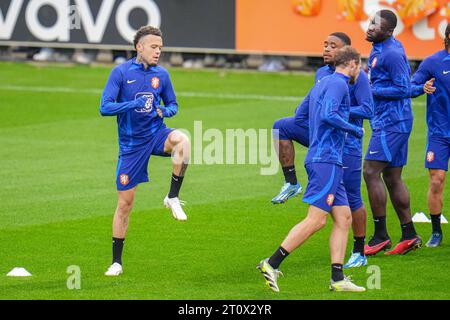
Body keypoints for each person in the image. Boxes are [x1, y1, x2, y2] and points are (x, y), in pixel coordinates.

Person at [258, 46, 366, 292]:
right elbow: (329, 114)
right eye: (359, 66)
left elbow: (300, 114)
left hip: (329, 159)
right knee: (316, 220)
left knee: (344, 218)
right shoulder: (340, 84)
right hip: (326, 159)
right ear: (351, 64)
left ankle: (337, 279)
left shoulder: (321, 83)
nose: (359, 71)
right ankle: (271, 263)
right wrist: (352, 128)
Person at [99, 26, 190, 276]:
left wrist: (164, 111)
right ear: (139, 47)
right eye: (153, 47)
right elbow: (104, 107)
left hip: (156, 134)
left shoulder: (162, 75)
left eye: (160, 47)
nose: (158, 51)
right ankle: (116, 262)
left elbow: (173, 104)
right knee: (125, 204)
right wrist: (133, 104)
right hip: (131, 145)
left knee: (184, 141)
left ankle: (172, 197)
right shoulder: (120, 73)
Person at [363, 10, 422, 256]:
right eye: (370, 23)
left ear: (388, 31)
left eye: (376, 26)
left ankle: (380, 236)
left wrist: (371, 89)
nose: (369, 28)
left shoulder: (392, 54)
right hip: (389, 120)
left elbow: (402, 88)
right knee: (392, 177)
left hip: (392, 122)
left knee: (370, 171)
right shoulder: (379, 48)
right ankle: (409, 235)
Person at [410, 23, 450, 247]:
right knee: (437, 180)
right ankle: (436, 231)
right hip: (439, 133)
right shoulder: (433, 62)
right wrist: (421, 88)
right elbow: (412, 85)